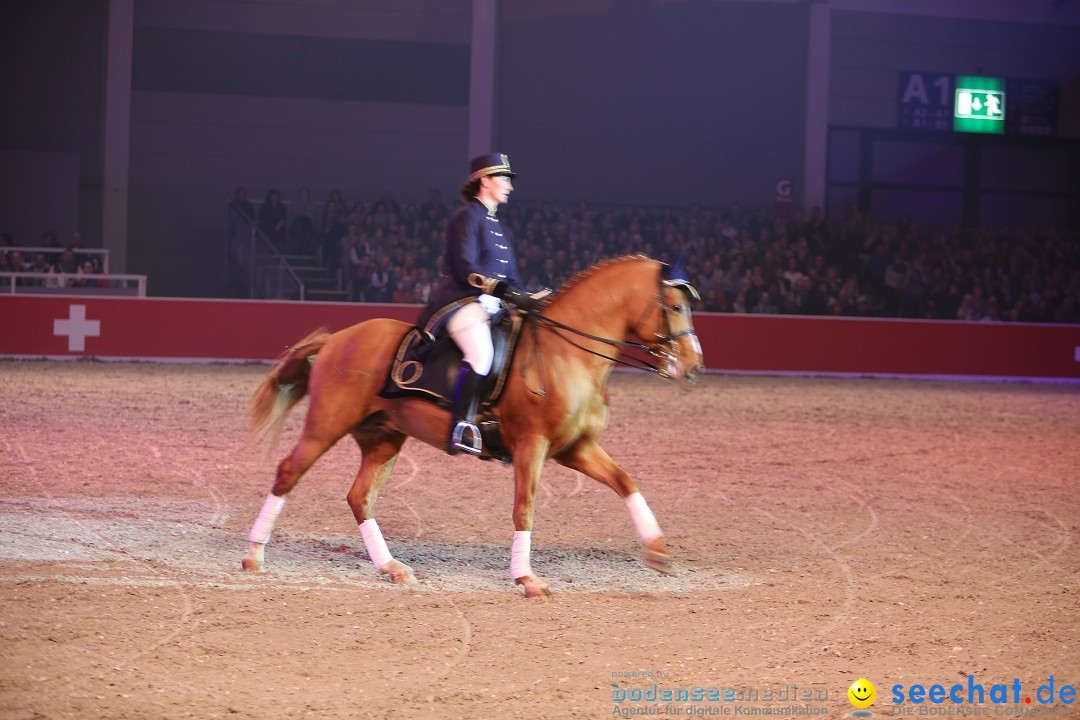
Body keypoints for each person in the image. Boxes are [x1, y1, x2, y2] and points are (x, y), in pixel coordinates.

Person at [417, 153, 544, 454]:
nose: (510, 187)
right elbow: (465, 266)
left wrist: (530, 297)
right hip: (463, 302)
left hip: (493, 306)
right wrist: (503, 291)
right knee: (482, 353)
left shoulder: (502, 228)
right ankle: (460, 425)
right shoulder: (467, 216)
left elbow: (512, 277)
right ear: (485, 181)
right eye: (504, 179)